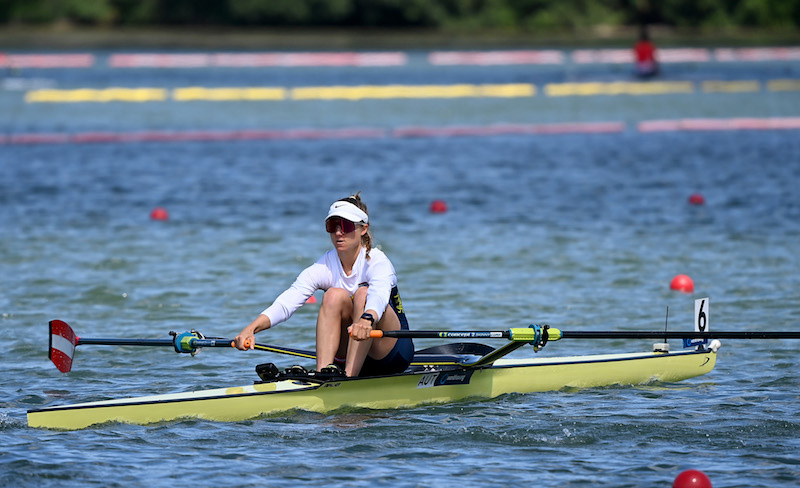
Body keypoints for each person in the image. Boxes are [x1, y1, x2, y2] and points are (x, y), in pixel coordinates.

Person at [233, 193, 414, 377]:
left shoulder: (377, 261)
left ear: (363, 229)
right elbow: (288, 302)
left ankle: (349, 378)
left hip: (391, 353)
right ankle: (324, 375)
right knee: (333, 295)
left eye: (346, 225)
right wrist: (251, 328)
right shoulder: (325, 265)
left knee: (363, 294)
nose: (338, 232)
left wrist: (368, 319)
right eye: (332, 226)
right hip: (349, 349)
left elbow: (380, 294)